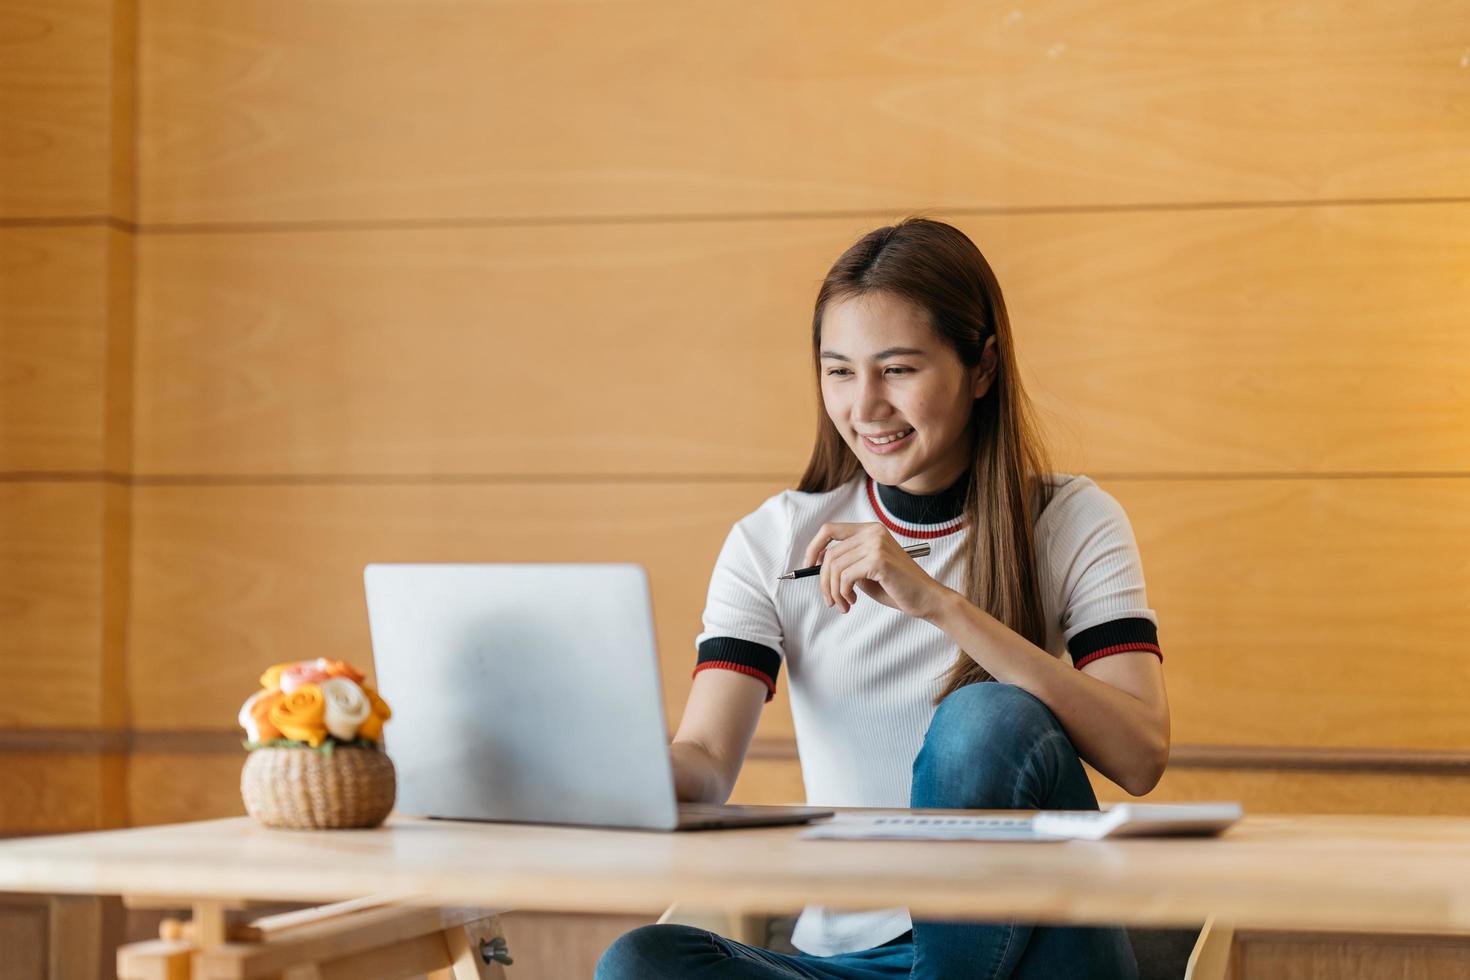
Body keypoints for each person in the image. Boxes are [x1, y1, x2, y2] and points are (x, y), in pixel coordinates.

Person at [596, 217, 1168, 979]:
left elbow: (1140, 753)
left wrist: (938, 604)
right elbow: (702, 763)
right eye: (839, 371)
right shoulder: (774, 542)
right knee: (644, 963)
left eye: (897, 369)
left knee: (984, 717)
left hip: (1038, 955)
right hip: (848, 961)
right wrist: (589, 764)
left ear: (982, 367)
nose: (865, 407)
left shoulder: (1069, 520)